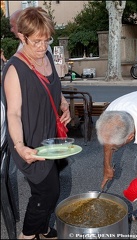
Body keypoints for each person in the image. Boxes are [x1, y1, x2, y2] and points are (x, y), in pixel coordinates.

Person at [2, 7, 71, 239]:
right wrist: (21, 147)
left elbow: (53, 84)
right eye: (37, 41)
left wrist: (63, 103)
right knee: (48, 192)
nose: (43, 47)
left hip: (50, 133)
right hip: (29, 138)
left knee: (49, 182)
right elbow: (13, 114)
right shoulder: (15, 68)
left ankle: (42, 228)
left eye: (46, 40)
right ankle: (28, 234)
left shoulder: (47, 55)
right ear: (22, 36)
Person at [96, 88, 137, 221]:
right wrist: (107, 166)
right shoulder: (111, 112)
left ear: (130, 137)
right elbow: (108, 139)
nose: (113, 148)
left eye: (115, 147)